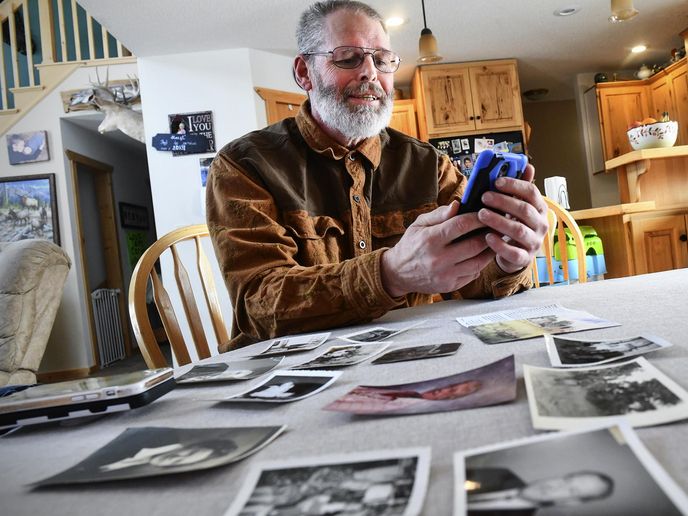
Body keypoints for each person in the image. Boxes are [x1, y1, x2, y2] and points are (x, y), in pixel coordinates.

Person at [206, 0, 547, 352]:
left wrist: (509, 260)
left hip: (407, 355)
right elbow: (259, 305)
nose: (371, 73)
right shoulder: (244, 165)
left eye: (382, 60)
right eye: (349, 57)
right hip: (290, 368)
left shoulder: (430, 165)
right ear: (304, 73)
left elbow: (478, 282)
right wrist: (390, 274)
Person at [465, 467, 614, 514]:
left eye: (572, 491)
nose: (555, 486)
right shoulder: (501, 474)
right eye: (566, 480)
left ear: (570, 502)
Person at [98, 439, 237, 472]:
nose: (176, 458)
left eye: (183, 462)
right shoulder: (138, 443)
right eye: (190, 452)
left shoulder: (134, 468)